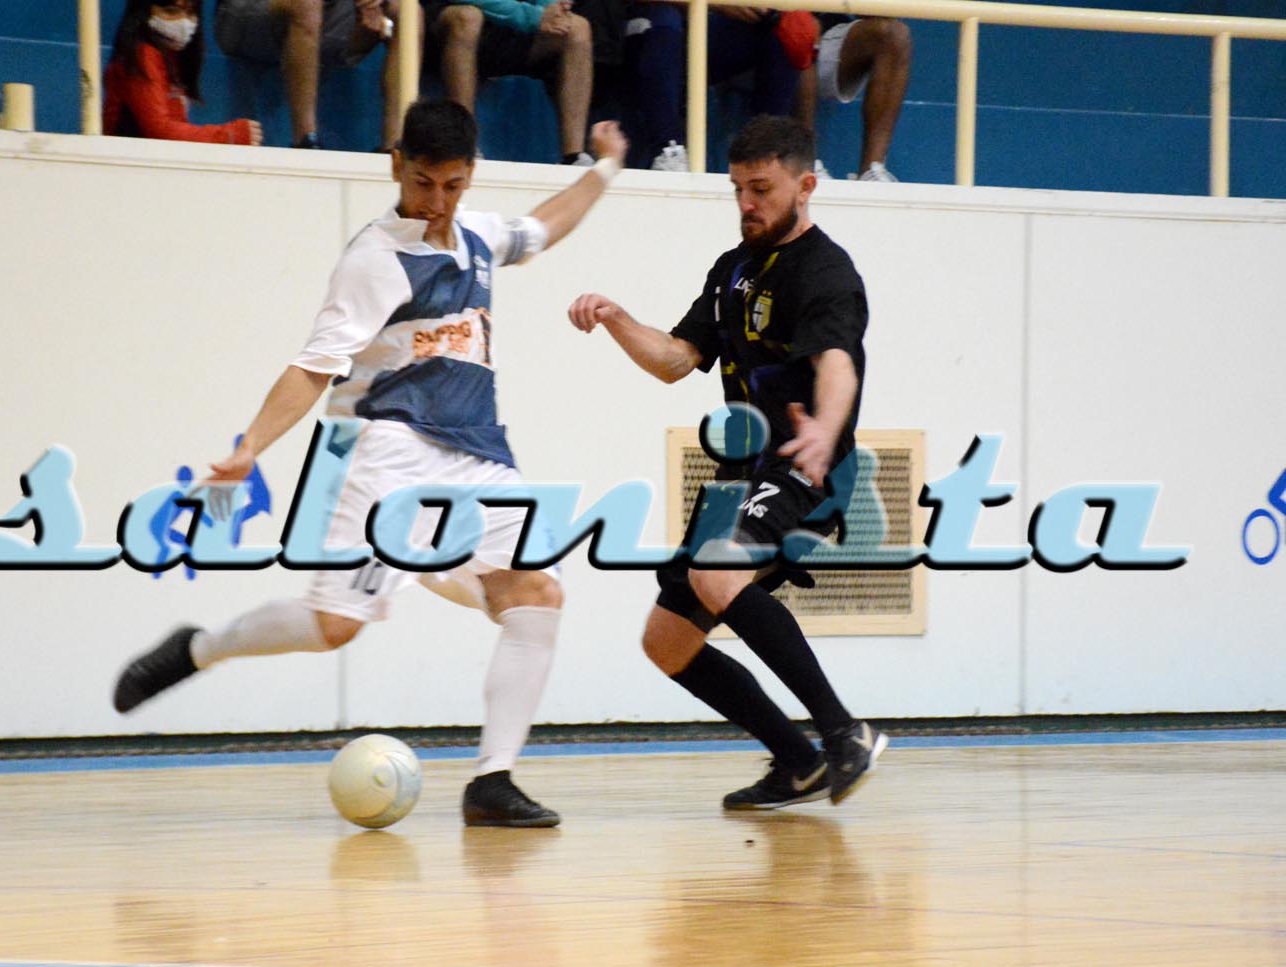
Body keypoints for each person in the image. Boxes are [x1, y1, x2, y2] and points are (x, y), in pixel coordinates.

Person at [112, 99, 629, 829]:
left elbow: (543, 226)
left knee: (538, 592)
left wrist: (605, 167)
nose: (437, 201)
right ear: (396, 166)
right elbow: (311, 368)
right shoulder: (374, 260)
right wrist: (250, 446)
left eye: (452, 185)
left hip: (478, 452)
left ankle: (493, 780)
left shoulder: (479, 237)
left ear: (470, 176)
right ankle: (199, 648)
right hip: (386, 449)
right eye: (423, 183)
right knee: (333, 626)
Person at [566, 115, 886, 809]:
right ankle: (798, 762)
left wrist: (826, 430)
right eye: (738, 188)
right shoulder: (732, 269)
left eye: (761, 189)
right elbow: (676, 360)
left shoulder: (827, 272)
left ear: (805, 186)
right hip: (741, 477)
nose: (747, 203)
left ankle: (844, 732)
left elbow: (837, 363)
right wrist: (618, 318)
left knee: (716, 569)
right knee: (668, 642)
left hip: (806, 466)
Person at [623, 5, 805, 172]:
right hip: (646, 31)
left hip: (706, 31)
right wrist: (719, 3)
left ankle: (769, 152)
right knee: (665, 16)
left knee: (790, 27)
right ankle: (669, 151)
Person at [213, 0, 405, 150]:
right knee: (307, 3)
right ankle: (306, 140)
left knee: (407, 15)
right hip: (243, 14)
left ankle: (394, 149)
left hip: (323, 15)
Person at [426, 0, 595, 164]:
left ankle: (573, 156)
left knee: (578, 27)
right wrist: (534, 16)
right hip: (451, 21)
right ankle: (463, 146)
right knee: (467, 17)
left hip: (515, 27)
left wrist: (552, 10)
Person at [104, 0, 263, 144]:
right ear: (143, 12)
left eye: (190, 12)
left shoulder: (172, 56)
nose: (184, 21)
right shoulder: (142, 54)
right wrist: (228, 135)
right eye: (171, 11)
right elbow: (159, 131)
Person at [791, 15, 911, 182]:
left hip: (828, 37)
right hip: (775, 33)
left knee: (895, 33)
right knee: (802, 25)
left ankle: (871, 171)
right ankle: (806, 162)